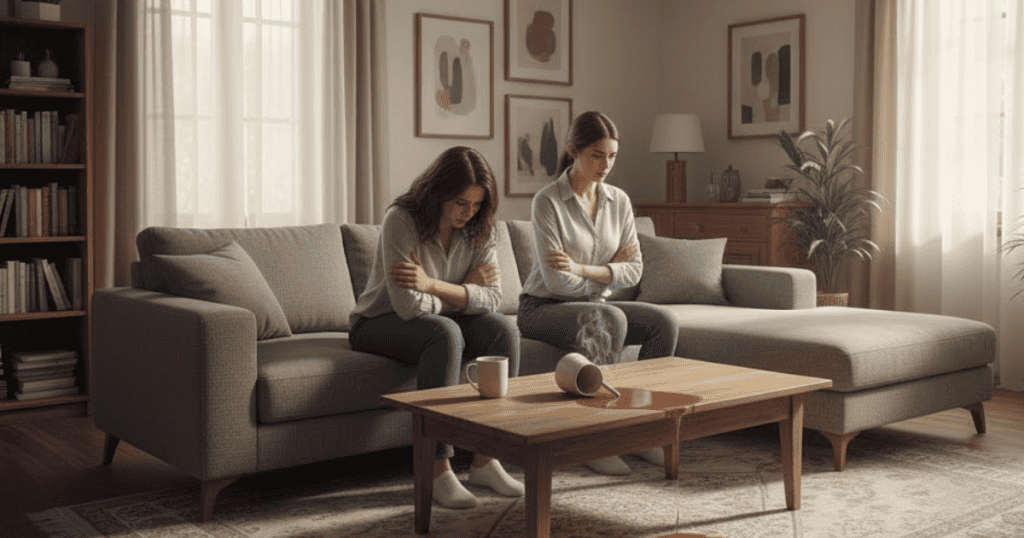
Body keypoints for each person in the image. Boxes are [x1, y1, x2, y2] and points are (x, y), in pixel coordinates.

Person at [349, 146, 524, 509]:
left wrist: (432, 284)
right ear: (439, 192)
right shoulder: (402, 219)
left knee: (502, 331)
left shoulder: (480, 227)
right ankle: (436, 468)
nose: (468, 212)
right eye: (461, 203)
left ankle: (486, 459)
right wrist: (463, 291)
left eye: (476, 204)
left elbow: (493, 297)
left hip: (441, 314)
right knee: (443, 333)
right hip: (377, 323)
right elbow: (408, 306)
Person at [517, 111, 679, 476]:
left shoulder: (618, 201)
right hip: (542, 307)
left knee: (662, 323)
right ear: (574, 151)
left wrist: (582, 270)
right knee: (609, 316)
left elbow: (635, 270)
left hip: (594, 303)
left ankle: (643, 430)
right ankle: (595, 438)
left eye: (612, 156)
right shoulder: (547, 202)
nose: (605, 165)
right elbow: (557, 283)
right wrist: (607, 275)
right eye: (596, 155)